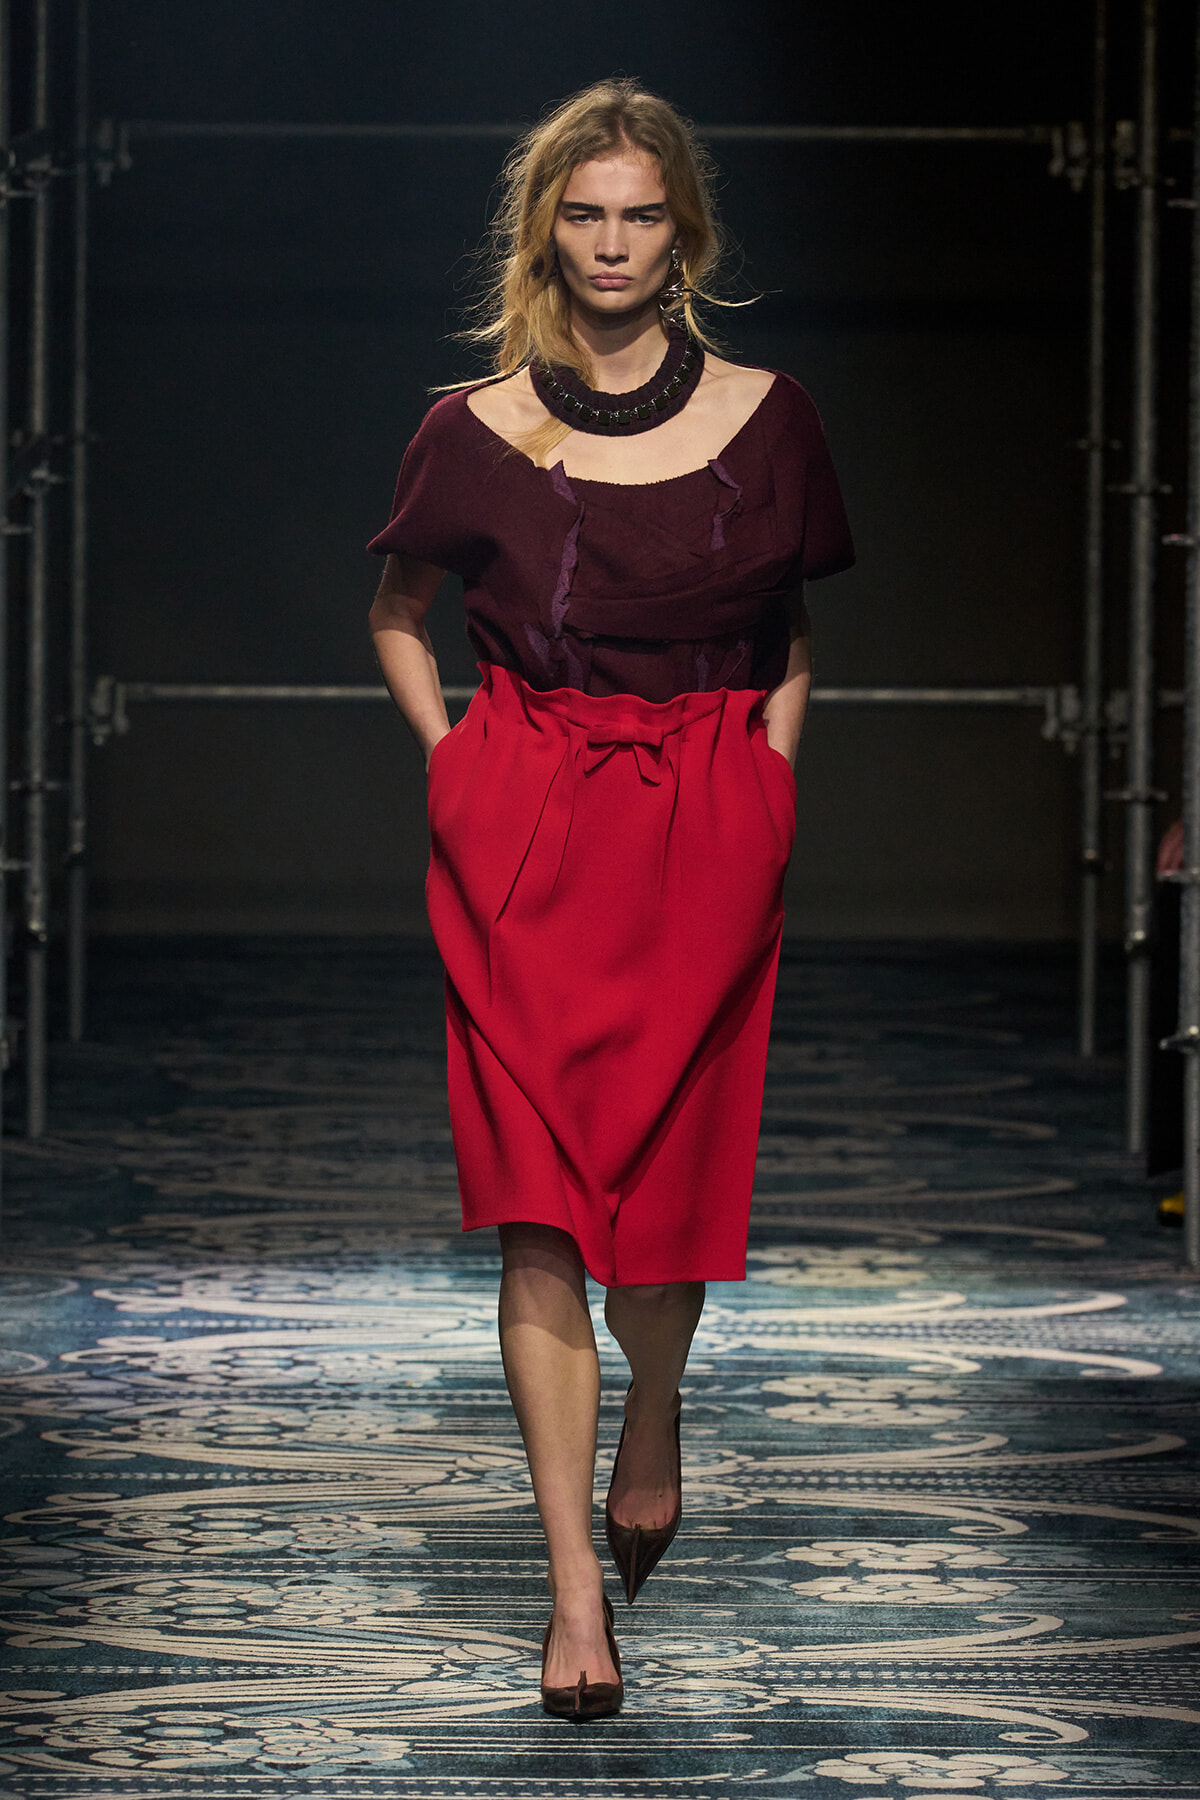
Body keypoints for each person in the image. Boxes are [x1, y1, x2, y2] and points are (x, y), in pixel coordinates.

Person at [367, 77, 854, 1719]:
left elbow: (790, 631)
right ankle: (574, 1589)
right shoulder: (469, 425)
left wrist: (768, 787)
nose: (613, 243)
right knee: (540, 1199)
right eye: (584, 214)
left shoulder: (772, 417)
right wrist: (457, 765)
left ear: (684, 233)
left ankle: (655, 1415)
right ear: (544, 231)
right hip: (527, 815)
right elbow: (398, 607)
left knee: (665, 1179)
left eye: (642, 214)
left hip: (707, 814)